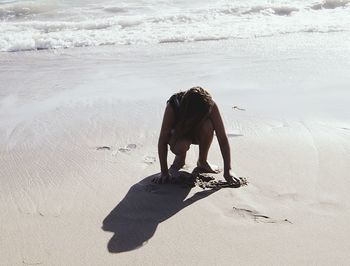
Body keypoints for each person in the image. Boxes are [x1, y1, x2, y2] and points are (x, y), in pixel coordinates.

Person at [153, 86, 239, 185]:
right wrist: (164, 172)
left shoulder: (209, 105)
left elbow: (222, 138)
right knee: (180, 147)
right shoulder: (173, 105)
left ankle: (202, 161)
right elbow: (162, 140)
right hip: (180, 133)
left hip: (198, 133)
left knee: (208, 125)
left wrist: (228, 170)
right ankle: (180, 159)